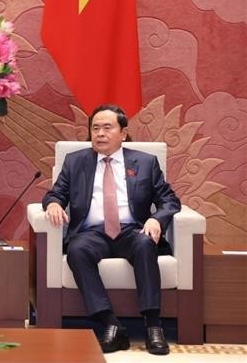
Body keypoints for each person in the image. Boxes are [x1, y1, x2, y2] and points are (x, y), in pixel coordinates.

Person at [42, 104, 180, 355]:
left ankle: (153, 326)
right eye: (95, 128)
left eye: (107, 127)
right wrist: (52, 204)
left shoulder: (146, 163)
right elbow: (56, 193)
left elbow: (169, 201)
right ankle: (110, 323)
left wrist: (157, 220)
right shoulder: (76, 162)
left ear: (123, 133)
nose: (100, 133)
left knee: (145, 243)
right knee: (77, 249)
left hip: (131, 230)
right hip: (92, 233)